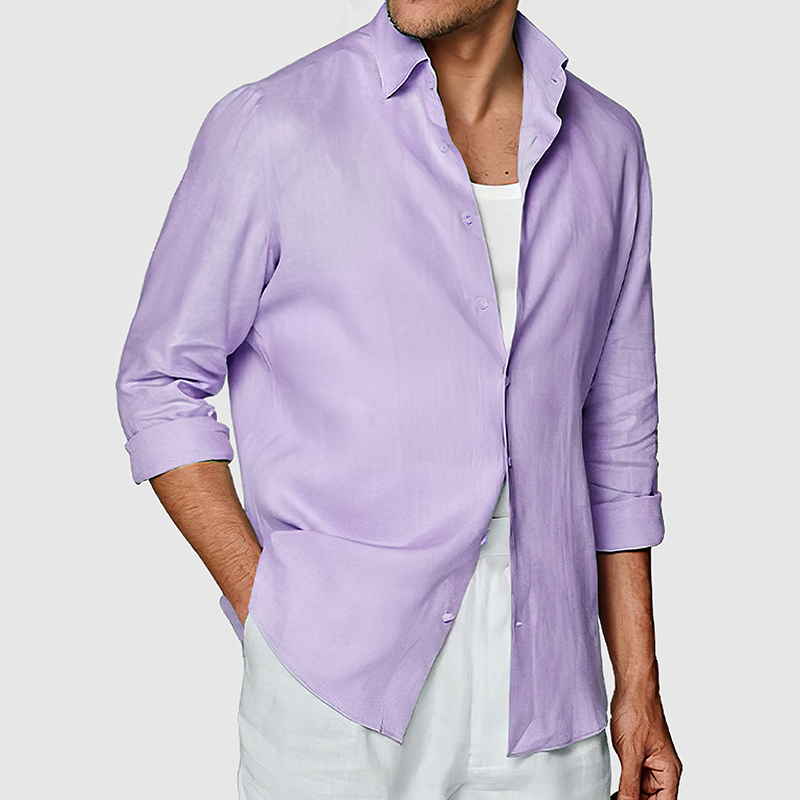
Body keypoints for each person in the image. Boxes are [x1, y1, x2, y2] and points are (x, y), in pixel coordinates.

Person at [115, 1, 682, 797]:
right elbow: (158, 381)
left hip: (548, 693)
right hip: (336, 685)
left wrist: (638, 682)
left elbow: (616, 440)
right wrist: (267, 605)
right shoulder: (275, 125)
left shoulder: (608, 145)